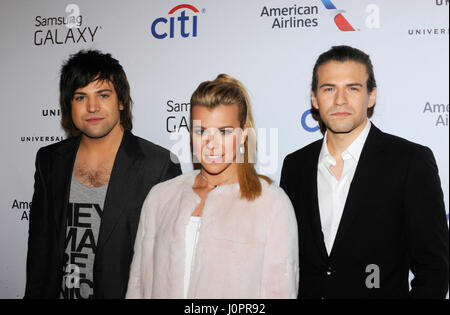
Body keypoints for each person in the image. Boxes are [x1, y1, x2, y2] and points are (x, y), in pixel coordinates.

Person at [280, 45, 449, 299]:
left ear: (371, 96)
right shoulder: (295, 165)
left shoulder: (410, 161)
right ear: (314, 99)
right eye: (329, 89)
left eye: (353, 88)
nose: (340, 100)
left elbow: (434, 268)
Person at [24, 50, 182, 299]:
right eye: (80, 97)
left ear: (121, 101)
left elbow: (168, 261)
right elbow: (39, 249)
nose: (92, 107)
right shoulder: (49, 160)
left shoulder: (159, 165)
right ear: (69, 105)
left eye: (103, 94)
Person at [126, 74, 299, 299]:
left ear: (243, 133)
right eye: (201, 131)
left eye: (224, 132)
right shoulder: (161, 197)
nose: (211, 144)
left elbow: (279, 293)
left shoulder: (271, 204)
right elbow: (139, 286)